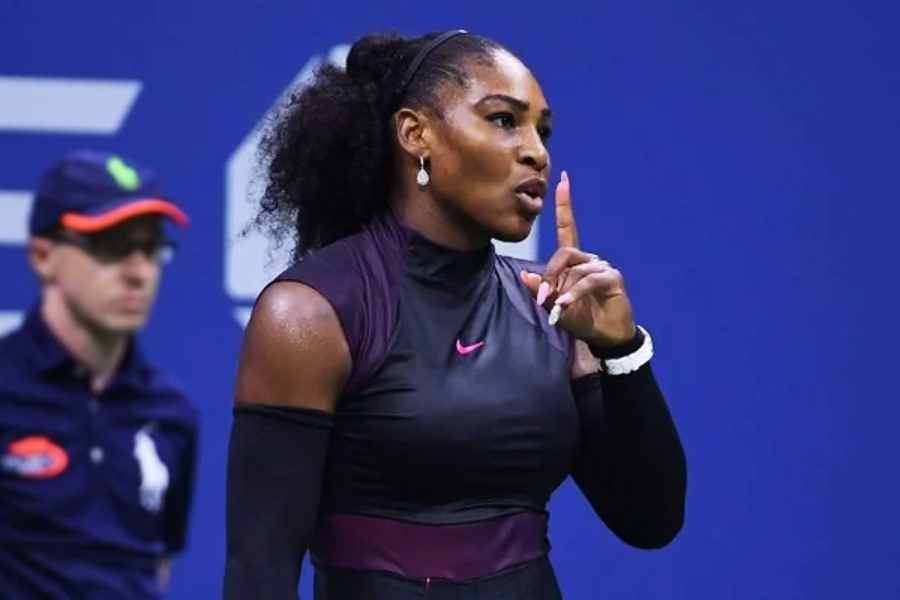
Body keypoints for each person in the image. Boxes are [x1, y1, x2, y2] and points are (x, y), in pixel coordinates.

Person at [224, 29, 688, 599]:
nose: (535, 151)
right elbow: (258, 571)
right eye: (503, 120)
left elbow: (651, 521)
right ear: (416, 135)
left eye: (542, 131)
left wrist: (622, 351)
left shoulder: (555, 310)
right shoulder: (310, 315)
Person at [0, 150, 199, 599]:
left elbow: (157, 565)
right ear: (43, 255)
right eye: (111, 245)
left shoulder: (173, 413)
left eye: (150, 248)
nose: (138, 272)